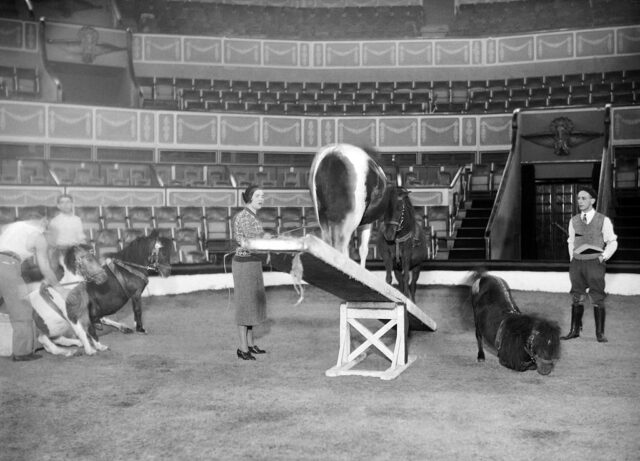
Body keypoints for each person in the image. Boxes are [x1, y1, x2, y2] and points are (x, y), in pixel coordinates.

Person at [0, 218, 69, 361]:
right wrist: (60, 289)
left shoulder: (15, 226)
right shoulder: (39, 236)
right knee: (22, 310)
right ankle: (22, 353)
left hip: (6, 263)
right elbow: (45, 267)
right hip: (8, 265)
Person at [563, 186, 617, 343]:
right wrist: (572, 258)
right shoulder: (573, 221)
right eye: (578, 198)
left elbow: (612, 242)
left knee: (597, 297)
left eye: (583, 198)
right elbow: (571, 241)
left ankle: (599, 334)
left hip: (595, 263)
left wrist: (604, 257)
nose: (580, 201)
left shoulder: (603, 220)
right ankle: (574, 330)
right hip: (577, 263)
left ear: (592, 200)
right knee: (577, 296)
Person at [231, 185, 272, 361]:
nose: (261, 198)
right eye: (257, 196)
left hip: (253, 263)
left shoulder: (252, 216)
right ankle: (242, 349)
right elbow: (252, 241)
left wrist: (266, 238)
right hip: (244, 265)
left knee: (252, 305)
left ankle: (250, 344)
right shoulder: (244, 217)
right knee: (245, 306)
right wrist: (266, 238)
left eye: (262, 195)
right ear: (249, 198)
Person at [47, 194, 86, 276]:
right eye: (62, 202)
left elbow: (81, 238)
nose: (65, 205)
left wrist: (85, 250)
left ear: (72, 204)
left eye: (68, 202)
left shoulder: (77, 220)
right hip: (60, 251)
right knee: (55, 271)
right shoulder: (54, 221)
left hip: (74, 250)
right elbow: (51, 242)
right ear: (58, 206)